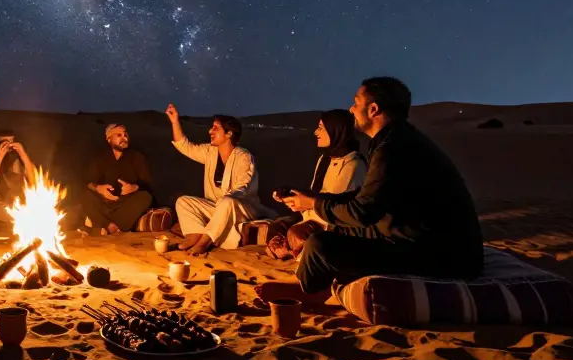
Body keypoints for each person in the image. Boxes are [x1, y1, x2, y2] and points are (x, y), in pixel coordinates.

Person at [260, 77, 484, 304]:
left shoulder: (394, 148)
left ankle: (308, 292)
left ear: (373, 109)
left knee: (320, 244)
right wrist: (314, 199)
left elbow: (363, 211)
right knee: (339, 232)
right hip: (412, 234)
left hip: (441, 255)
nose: (351, 109)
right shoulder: (398, 141)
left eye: (356, 103)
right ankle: (309, 283)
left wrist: (314, 204)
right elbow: (369, 197)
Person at [167, 107, 271, 255]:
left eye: (216, 128)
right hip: (218, 208)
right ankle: (193, 236)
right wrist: (175, 121)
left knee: (227, 202)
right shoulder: (210, 152)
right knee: (183, 201)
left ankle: (205, 242)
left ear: (229, 134)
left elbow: (243, 186)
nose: (210, 131)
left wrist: (225, 199)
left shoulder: (243, 156)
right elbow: (185, 147)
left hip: (239, 208)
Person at [265, 109, 367, 260]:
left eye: (321, 127)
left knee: (296, 233)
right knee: (277, 226)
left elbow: (337, 203)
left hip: (330, 223)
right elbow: (315, 192)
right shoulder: (324, 159)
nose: (315, 132)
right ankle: (288, 249)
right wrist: (291, 195)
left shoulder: (353, 163)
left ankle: (289, 249)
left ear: (335, 130)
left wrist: (307, 203)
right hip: (312, 215)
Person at [77, 124, 154, 235]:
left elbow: (147, 183)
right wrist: (99, 188)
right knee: (84, 195)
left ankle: (104, 227)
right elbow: (88, 182)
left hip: (126, 203)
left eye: (125, 134)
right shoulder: (100, 157)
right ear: (109, 139)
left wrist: (134, 187)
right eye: (119, 135)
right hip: (104, 202)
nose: (125, 138)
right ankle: (112, 226)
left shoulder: (137, 156)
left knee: (146, 197)